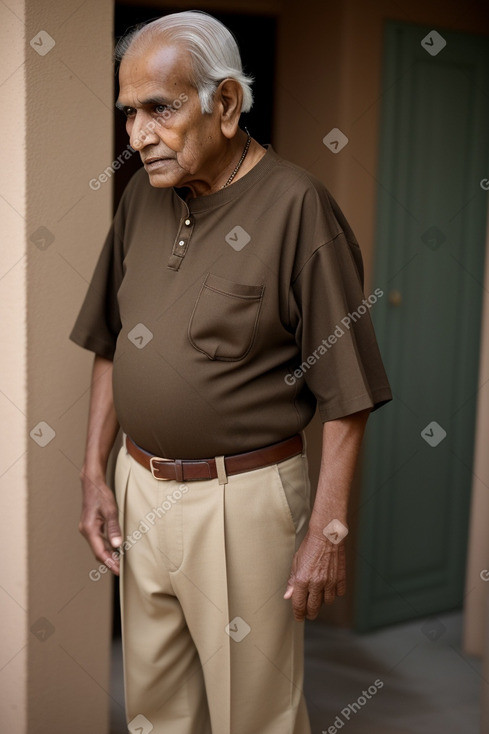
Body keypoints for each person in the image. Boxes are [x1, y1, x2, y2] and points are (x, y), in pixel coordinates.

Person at [70, 10, 392, 734]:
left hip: (241, 501)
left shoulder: (298, 208)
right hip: (138, 483)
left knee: (256, 718)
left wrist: (328, 531)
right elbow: (111, 342)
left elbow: (348, 392)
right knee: (153, 709)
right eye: (128, 114)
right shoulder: (138, 200)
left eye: (159, 108)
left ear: (223, 104)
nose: (138, 135)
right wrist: (96, 470)